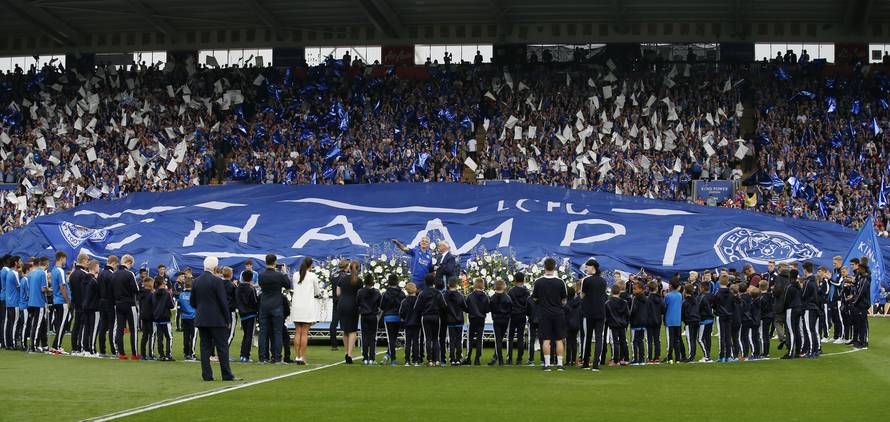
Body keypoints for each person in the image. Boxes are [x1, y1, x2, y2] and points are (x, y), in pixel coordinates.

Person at [192, 256, 236, 381]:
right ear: (215, 267)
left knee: (205, 347)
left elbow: (193, 301)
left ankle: (207, 375)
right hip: (217, 319)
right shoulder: (217, 281)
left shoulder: (196, 281)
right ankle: (226, 374)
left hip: (202, 318)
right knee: (222, 347)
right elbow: (223, 302)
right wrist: (227, 319)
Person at [532, 257, 568, 371]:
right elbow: (564, 300)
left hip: (544, 314)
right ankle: (560, 364)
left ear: (544, 267)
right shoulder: (560, 282)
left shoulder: (538, 282)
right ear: (555, 267)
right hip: (558, 313)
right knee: (559, 339)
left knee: (546, 340)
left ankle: (547, 364)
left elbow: (535, 298)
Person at [258, 254, 290, 364]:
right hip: (276, 305)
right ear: (275, 262)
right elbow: (288, 285)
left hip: (264, 305)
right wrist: (285, 273)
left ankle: (262, 358)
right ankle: (277, 358)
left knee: (263, 332)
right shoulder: (279, 275)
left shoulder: (261, 275)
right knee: (277, 332)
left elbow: (261, 286)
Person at [289, 257, 321, 365]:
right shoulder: (312, 276)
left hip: (296, 306)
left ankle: (297, 356)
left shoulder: (295, 275)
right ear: (310, 265)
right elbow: (317, 291)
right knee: (304, 332)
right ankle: (302, 357)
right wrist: (318, 294)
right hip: (307, 306)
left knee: (298, 331)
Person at [579, 258, 607, 370]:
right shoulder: (603, 281)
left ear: (592, 267)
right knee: (599, 337)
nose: (586, 269)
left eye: (587, 267)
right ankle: (596, 364)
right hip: (601, 311)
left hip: (589, 311)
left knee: (588, 337)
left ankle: (586, 362)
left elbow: (582, 295)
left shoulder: (586, 280)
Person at [112, 254, 140, 360]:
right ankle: (134, 353)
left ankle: (121, 353)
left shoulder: (114, 274)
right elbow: (136, 289)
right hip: (129, 304)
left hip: (118, 303)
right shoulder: (129, 274)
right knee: (134, 329)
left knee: (120, 328)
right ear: (129, 262)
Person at [415, 273, 446, 367]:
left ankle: (430, 360)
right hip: (436, 317)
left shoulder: (422, 293)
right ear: (434, 282)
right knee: (436, 338)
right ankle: (437, 360)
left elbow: (417, 307)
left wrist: (423, 312)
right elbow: (444, 306)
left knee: (427, 338)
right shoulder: (438, 293)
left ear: (425, 282)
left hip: (426, 317)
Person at [336, 260, 361, 364]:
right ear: (358, 269)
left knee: (345, 330)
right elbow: (360, 295)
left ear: (349, 268)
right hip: (353, 305)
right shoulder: (359, 281)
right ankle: (350, 355)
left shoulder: (342, 279)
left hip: (342, 304)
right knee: (352, 331)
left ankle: (346, 353)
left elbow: (338, 293)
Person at [380, 274, 405, 366]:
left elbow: (382, 306)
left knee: (391, 338)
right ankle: (388, 355)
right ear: (397, 282)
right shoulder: (402, 294)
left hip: (388, 317)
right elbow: (404, 306)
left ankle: (393, 359)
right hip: (398, 317)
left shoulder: (385, 293)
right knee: (393, 338)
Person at [357, 273, 381, 365]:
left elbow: (357, 302)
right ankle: (372, 358)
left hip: (364, 316)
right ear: (373, 282)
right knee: (372, 337)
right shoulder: (377, 292)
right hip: (373, 316)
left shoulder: (360, 292)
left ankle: (365, 358)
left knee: (365, 337)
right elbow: (380, 304)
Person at [506, 272, 530, 365]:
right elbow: (528, 304)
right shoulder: (526, 292)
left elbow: (508, 304)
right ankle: (519, 358)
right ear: (523, 280)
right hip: (522, 316)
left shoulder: (511, 291)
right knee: (520, 337)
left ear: (515, 280)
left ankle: (509, 358)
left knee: (510, 337)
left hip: (512, 316)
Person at [464, 278, 489, 366]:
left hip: (472, 319)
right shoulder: (485, 296)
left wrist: (471, 311)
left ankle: (468, 358)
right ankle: (477, 359)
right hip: (481, 319)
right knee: (479, 339)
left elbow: (466, 308)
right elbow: (487, 309)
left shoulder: (470, 296)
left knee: (470, 339)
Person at [68, 253, 89, 354]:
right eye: (87, 261)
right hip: (83, 303)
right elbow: (86, 291)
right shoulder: (84, 274)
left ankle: (74, 347)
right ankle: (81, 347)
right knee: (83, 326)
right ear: (83, 261)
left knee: (76, 325)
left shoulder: (72, 274)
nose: (88, 263)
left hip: (75, 303)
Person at [26, 257, 48, 352]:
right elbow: (43, 289)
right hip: (39, 302)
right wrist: (49, 290)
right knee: (37, 325)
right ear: (39, 263)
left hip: (31, 302)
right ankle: (33, 346)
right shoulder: (42, 273)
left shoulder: (30, 274)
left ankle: (44, 344)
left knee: (42, 324)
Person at [50, 252, 70, 354]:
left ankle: (56, 345)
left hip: (56, 300)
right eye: (65, 259)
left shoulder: (53, 270)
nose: (65, 261)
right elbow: (62, 287)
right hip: (62, 301)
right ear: (62, 258)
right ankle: (56, 346)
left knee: (59, 323)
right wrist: (67, 300)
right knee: (62, 324)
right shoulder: (60, 270)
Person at [443, 277, 466, 365]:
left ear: (448, 285)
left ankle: (452, 358)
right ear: (456, 285)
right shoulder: (460, 295)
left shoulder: (445, 295)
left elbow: (443, 307)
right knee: (459, 340)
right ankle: (458, 358)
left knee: (451, 340)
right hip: (459, 320)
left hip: (450, 320)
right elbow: (464, 307)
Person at [97, 256, 117, 356]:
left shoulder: (100, 273)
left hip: (101, 301)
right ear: (113, 263)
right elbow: (114, 290)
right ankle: (114, 349)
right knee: (112, 326)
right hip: (110, 302)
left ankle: (102, 349)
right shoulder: (111, 274)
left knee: (103, 326)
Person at [236, 270, 258, 362]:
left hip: (242, 314)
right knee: (249, 335)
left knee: (246, 335)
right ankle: (246, 356)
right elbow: (255, 301)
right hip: (251, 314)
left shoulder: (238, 288)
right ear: (251, 278)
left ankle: (242, 355)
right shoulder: (251, 289)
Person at [488, 278, 512, 366]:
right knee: (500, 339)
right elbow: (510, 309)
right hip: (505, 320)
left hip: (496, 320)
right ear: (503, 286)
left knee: (498, 339)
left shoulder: (492, 298)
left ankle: (499, 359)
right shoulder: (507, 297)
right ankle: (497, 358)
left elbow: (489, 309)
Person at [605, 284, 628, 367]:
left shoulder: (608, 303)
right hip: (622, 323)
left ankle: (615, 360)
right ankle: (622, 359)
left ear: (611, 291)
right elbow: (627, 314)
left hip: (613, 324)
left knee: (615, 342)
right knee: (623, 341)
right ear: (619, 292)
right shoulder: (624, 302)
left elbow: (606, 315)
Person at [80, 261, 101, 356]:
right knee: (94, 328)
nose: (99, 268)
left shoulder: (84, 279)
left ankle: (85, 349)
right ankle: (92, 350)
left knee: (87, 328)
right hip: (94, 307)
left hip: (85, 307)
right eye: (98, 267)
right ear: (95, 267)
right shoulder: (94, 281)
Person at [850, 257, 871, 348]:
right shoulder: (862, 278)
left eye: (860, 268)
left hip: (862, 304)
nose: (858, 270)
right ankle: (861, 341)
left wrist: (854, 302)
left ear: (863, 269)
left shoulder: (865, 280)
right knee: (860, 323)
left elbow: (861, 293)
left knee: (863, 324)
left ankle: (864, 342)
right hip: (860, 304)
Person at [153, 275, 175, 361]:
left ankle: (161, 355)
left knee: (160, 337)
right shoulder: (166, 293)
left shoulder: (154, 293)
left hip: (157, 318)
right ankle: (168, 355)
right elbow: (171, 305)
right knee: (169, 337)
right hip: (165, 318)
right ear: (162, 283)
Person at [800, 262, 820, 357]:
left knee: (808, 330)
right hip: (814, 307)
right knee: (812, 330)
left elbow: (803, 295)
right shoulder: (814, 281)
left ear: (805, 270)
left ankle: (811, 351)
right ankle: (815, 350)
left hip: (809, 308)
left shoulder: (807, 282)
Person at [782, 269, 803, 359]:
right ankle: (798, 351)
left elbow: (786, 299)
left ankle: (790, 352)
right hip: (799, 308)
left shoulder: (790, 287)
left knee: (791, 331)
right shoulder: (799, 286)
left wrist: (784, 308)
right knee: (797, 330)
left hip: (791, 309)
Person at [399, 282, 421, 366]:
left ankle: (407, 360)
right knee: (416, 342)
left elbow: (401, 313)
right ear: (415, 289)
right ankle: (416, 360)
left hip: (407, 323)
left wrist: (405, 318)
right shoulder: (418, 300)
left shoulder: (404, 301)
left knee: (408, 342)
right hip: (417, 323)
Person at [663, 279, 685, 363]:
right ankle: (678, 358)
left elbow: (664, 307)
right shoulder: (680, 295)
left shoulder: (668, 296)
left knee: (670, 340)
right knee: (677, 340)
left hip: (669, 320)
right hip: (677, 321)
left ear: (670, 286)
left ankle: (669, 358)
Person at [327, 260, 346, 350]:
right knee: (346, 323)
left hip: (335, 301)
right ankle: (348, 343)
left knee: (334, 323)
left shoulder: (334, 275)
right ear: (346, 267)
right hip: (344, 300)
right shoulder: (346, 276)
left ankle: (334, 344)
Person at [714, 274, 733, 362]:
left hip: (721, 315)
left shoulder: (717, 293)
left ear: (719, 282)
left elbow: (715, 304)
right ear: (728, 282)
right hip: (729, 315)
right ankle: (728, 356)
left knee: (722, 336)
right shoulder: (730, 293)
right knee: (728, 335)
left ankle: (722, 356)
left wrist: (717, 311)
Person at [645, 280, 663, 364]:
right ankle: (657, 356)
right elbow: (663, 309)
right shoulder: (660, 298)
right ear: (656, 288)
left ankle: (650, 357)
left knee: (649, 340)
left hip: (649, 321)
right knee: (657, 339)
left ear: (648, 288)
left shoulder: (647, 299)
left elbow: (646, 311)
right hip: (658, 320)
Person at [137, 277, 156, 360]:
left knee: (144, 335)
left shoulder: (141, 294)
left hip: (143, 316)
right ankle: (151, 354)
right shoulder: (151, 295)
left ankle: (143, 354)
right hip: (151, 317)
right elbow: (154, 305)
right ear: (151, 284)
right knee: (152, 335)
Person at [681, 284, 699, 362]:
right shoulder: (696, 300)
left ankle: (691, 356)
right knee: (693, 339)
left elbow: (683, 314)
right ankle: (693, 354)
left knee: (690, 339)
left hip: (689, 321)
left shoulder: (685, 302)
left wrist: (683, 321)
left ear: (685, 291)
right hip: (696, 321)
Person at [221, 267, 238, 353]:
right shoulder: (232, 286)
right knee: (230, 333)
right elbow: (236, 298)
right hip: (230, 311)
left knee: (221, 333)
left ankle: (219, 352)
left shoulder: (219, 284)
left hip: (220, 311)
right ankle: (223, 353)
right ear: (231, 275)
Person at [180, 278, 197, 361]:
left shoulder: (181, 295)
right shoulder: (194, 295)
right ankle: (192, 353)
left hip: (184, 317)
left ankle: (186, 353)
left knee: (186, 336)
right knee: (193, 336)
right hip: (193, 317)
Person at [564, 287, 582, 366]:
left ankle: (568, 360)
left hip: (568, 324)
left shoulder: (566, 304)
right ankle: (573, 360)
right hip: (576, 324)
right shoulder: (578, 302)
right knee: (574, 341)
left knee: (568, 342)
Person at [697, 282, 714, 362]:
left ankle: (707, 356)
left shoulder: (702, 297)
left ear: (703, 288)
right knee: (708, 338)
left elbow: (699, 308)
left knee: (700, 339)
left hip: (704, 320)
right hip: (710, 319)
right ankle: (708, 354)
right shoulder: (712, 296)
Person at [758, 280, 774, 358]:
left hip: (763, 317)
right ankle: (766, 352)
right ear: (767, 287)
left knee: (763, 335)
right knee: (766, 335)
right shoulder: (770, 296)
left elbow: (760, 309)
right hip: (770, 316)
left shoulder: (760, 298)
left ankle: (764, 352)